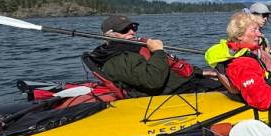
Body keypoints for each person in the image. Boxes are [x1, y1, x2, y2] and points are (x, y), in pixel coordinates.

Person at [85, 15, 222, 96]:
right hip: (180, 93)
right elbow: (152, 81)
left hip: (189, 82)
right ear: (109, 35)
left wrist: (201, 72)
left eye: (133, 28)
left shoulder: (136, 48)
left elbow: (171, 64)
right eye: (125, 30)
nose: (132, 32)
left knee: (224, 76)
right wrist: (158, 51)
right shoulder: (115, 59)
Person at [205, 12, 271, 110]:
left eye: (259, 30)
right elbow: (262, 100)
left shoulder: (242, 53)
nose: (259, 34)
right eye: (254, 30)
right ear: (240, 36)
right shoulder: (242, 64)